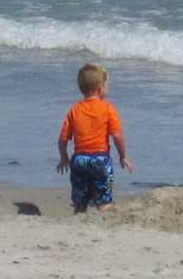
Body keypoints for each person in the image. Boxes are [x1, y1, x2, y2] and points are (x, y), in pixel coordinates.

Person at [56, 63, 135, 213]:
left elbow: (63, 138)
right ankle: (104, 214)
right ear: (100, 89)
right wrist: (123, 156)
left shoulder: (75, 109)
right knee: (104, 199)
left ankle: (80, 217)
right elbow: (117, 135)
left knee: (80, 202)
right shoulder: (108, 109)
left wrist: (64, 157)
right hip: (100, 159)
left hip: (80, 160)